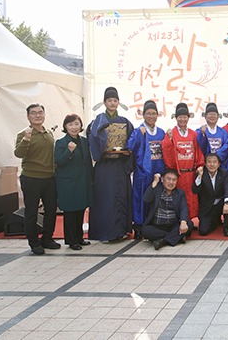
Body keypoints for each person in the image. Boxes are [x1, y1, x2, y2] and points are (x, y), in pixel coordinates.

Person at [87, 87, 135, 241]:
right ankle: (104, 232)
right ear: (104, 102)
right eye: (109, 101)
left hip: (120, 165)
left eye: (115, 100)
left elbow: (132, 143)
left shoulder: (125, 122)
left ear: (118, 102)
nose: (112, 103)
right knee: (105, 200)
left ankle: (120, 230)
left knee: (120, 198)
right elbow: (93, 145)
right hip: (104, 167)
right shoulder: (97, 122)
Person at [14, 104, 60, 255]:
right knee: (31, 212)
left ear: (44, 115)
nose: (37, 115)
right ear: (28, 116)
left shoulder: (48, 133)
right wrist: (26, 139)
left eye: (40, 112)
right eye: (33, 113)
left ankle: (47, 238)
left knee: (51, 210)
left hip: (49, 178)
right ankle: (34, 242)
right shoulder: (24, 133)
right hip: (31, 178)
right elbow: (19, 153)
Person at [127, 100, 166, 239]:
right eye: (148, 113)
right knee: (140, 198)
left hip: (158, 170)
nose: (151, 116)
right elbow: (130, 147)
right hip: (143, 172)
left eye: (154, 114)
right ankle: (138, 226)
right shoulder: (138, 131)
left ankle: (154, 224)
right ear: (143, 115)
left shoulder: (161, 132)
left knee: (156, 198)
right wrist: (140, 136)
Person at [55, 114, 94, 250]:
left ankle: (79, 238)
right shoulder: (61, 142)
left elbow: (87, 163)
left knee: (81, 210)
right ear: (65, 127)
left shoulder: (84, 141)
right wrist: (69, 151)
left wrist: (91, 179)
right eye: (70, 124)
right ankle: (71, 241)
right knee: (70, 213)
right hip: (68, 183)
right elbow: (60, 162)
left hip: (82, 181)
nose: (74, 127)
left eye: (76, 124)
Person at [162, 103, 205, 219]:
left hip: (191, 174)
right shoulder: (172, 133)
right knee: (177, 198)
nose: (182, 119)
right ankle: (178, 221)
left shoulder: (193, 134)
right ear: (176, 118)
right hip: (178, 174)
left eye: (184, 117)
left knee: (191, 198)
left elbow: (199, 152)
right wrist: (170, 139)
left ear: (188, 118)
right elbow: (167, 152)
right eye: (180, 117)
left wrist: (200, 166)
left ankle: (190, 222)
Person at [141, 169, 193, 250]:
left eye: (174, 180)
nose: (171, 182)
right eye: (168, 179)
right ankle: (176, 237)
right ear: (162, 179)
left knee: (189, 224)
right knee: (145, 231)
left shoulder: (180, 193)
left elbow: (184, 208)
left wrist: (183, 222)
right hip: (157, 226)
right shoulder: (156, 190)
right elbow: (146, 199)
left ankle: (163, 241)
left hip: (173, 225)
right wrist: (154, 183)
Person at [192, 153, 228, 236]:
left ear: (219, 164)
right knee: (203, 231)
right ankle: (215, 221)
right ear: (205, 164)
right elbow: (195, 191)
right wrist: (199, 177)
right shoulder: (201, 173)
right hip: (208, 206)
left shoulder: (224, 173)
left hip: (220, 203)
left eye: (214, 162)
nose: (212, 164)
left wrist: (227, 203)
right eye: (209, 162)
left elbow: (227, 188)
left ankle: (226, 227)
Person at [197, 102, 228, 170]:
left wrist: (215, 159)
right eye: (210, 114)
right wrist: (202, 135)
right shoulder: (199, 131)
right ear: (205, 116)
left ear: (218, 117)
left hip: (220, 166)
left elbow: (226, 147)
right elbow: (199, 149)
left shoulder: (223, 132)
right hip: (205, 167)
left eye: (214, 114)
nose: (212, 116)